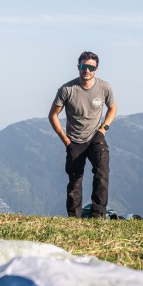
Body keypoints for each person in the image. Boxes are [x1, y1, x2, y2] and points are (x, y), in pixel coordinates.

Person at [48, 51, 117, 218]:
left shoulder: (104, 87)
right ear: (78, 67)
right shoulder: (67, 89)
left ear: (96, 69)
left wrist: (103, 129)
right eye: (83, 66)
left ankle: (97, 215)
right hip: (74, 141)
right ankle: (74, 218)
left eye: (90, 67)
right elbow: (52, 115)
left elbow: (113, 108)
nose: (86, 70)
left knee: (102, 173)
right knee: (75, 179)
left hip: (96, 137)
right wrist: (66, 141)